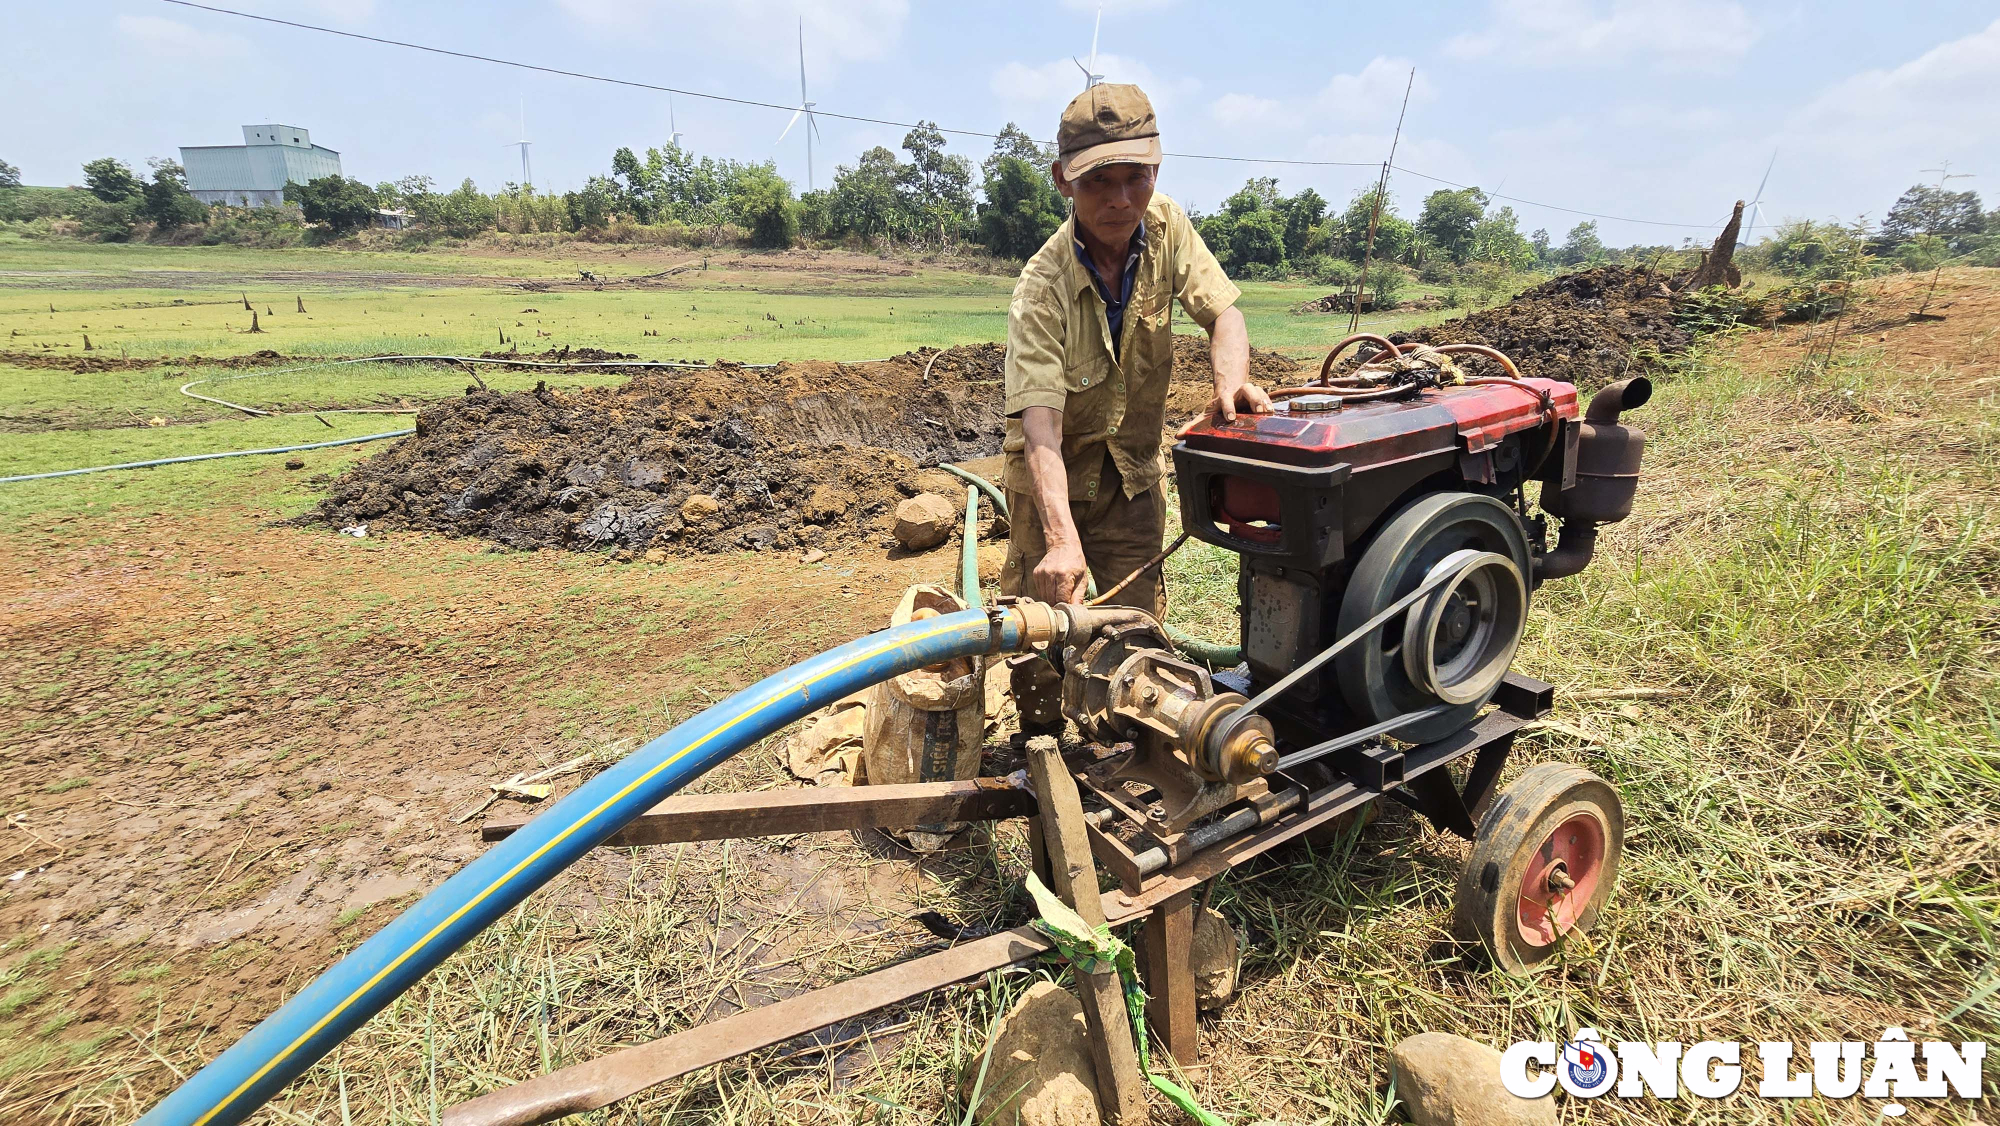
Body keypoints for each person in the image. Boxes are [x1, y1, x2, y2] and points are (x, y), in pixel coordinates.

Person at [998, 82, 1272, 731]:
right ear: (1064, 180)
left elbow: (1224, 312)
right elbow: (1041, 423)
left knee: (1136, 629)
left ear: (1156, 169)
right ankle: (1043, 754)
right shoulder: (1042, 288)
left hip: (1133, 480)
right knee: (1043, 632)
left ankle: (1128, 752)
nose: (1121, 199)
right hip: (1051, 485)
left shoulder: (1167, 225)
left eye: (1137, 177)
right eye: (1100, 183)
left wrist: (1231, 382)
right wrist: (1062, 541)